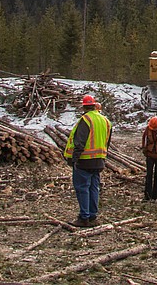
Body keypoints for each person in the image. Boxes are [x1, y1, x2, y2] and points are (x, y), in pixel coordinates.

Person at [64, 94, 113, 227]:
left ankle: (84, 217)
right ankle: (92, 216)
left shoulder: (86, 120)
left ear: (84, 106)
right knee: (94, 188)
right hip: (99, 160)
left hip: (84, 160)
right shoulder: (106, 121)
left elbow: (80, 142)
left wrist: (74, 159)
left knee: (82, 188)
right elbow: (106, 142)